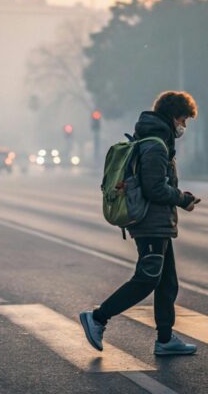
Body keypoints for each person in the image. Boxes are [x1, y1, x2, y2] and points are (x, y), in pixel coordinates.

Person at [80, 91, 199, 356]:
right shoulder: (156, 145)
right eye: (183, 120)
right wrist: (183, 199)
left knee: (167, 282)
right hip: (151, 223)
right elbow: (155, 188)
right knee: (146, 279)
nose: (184, 126)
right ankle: (98, 318)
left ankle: (165, 340)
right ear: (172, 116)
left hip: (157, 224)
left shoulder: (152, 139)